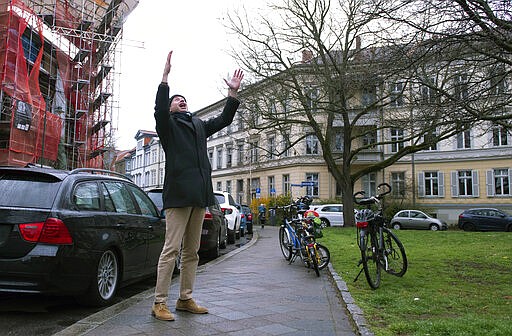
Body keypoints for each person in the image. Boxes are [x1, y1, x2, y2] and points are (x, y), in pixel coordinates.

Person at [152, 51, 244, 321]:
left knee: (191, 251)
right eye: (176, 100)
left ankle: (185, 298)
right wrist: (165, 77)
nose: (181, 101)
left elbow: (224, 120)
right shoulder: (167, 126)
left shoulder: (198, 125)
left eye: (184, 99)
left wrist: (232, 94)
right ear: (170, 109)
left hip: (199, 195)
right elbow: (159, 108)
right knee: (171, 250)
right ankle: (159, 302)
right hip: (178, 196)